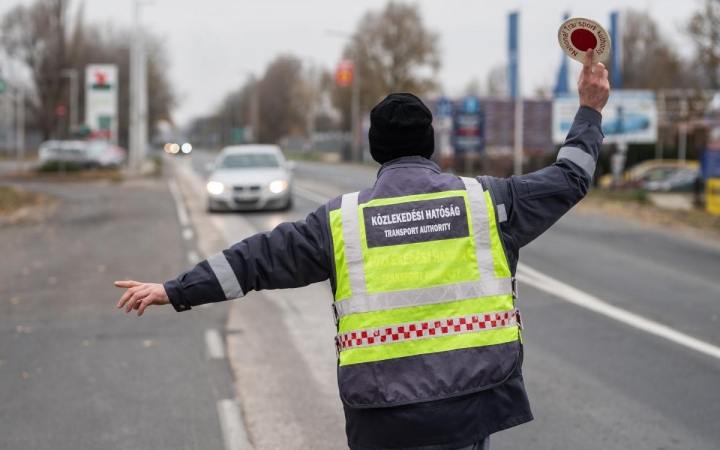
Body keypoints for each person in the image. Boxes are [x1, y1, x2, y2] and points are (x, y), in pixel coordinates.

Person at [115, 49, 609, 450]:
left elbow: (255, 260)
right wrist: (589, 109)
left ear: (375, 149)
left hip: (383, 415)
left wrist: (176, 290)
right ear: (430, 144)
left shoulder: (340, 222)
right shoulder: (488, 203)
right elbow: (570, 177)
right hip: (469, 404)